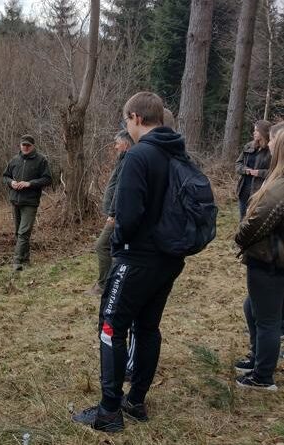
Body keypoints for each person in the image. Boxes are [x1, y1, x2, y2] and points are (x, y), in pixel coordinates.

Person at [72, 92, 187, 432]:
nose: (127, 126)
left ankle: (109, 412)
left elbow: (128, 214)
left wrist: (119, 244)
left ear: (136, 118)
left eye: (126, 120)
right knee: (147, 327)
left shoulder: (139, 155)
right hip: (169, 258)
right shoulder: (178, 152)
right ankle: (136, 401)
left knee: (111, 328)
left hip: (137, 258)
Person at [234, 122, 284, 391]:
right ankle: (257, 359)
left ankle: (262, 376)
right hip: (271, 260)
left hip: (269, 262)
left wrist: (240, 237)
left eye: (274, 141)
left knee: (267, 320)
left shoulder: (279, 187)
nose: (270, 143)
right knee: (252, 308)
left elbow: (256, 223)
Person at [87, 130, 134, 297]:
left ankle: (104, 285)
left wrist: (113, 214)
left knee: (102, 245)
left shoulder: (129, 160)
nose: (115, 147)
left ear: (126, 144)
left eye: (117, 143)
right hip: (117, 213)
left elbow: (121, 189)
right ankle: (116, 283)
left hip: (118, 214)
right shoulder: (124, 159)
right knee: (119, 248)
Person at [2, 134, 52, 271]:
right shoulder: (14, 160)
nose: (25, 147)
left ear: (33, 146)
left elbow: (47, 179)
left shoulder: (41, 160)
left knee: (23, 232)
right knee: (19, 233)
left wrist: (29, 183)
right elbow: (5, 176)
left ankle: (17, 262)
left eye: (28, 145)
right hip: (15, 201)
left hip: (30, 202)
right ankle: (25, 260)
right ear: (20, 145)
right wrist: (11, 182)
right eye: (23, 145)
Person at [235, 120, 272, 219]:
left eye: (257, 131)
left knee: (254, 220)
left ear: (264, 132)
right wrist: (245, 170)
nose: (254, 132)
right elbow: (238, 164)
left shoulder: (272, 149)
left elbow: (276, 172)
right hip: (244, 189)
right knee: (242, 218)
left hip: (260, 191)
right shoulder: (249, 146)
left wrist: (259, 173)